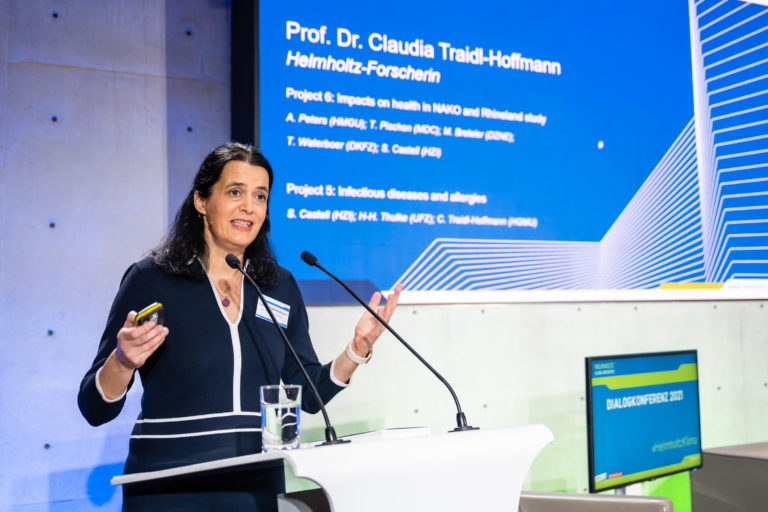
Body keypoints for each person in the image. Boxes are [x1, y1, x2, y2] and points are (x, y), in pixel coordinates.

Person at [78, 142, 401, 510]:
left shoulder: (278, 285)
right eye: (235, 192)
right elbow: (94, 407)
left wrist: (357, 350)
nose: (249, 206)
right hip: (167, 488)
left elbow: (308, 395)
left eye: (260, 196)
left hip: (254, 489)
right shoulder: (152, 278)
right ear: (201, 200)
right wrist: (121, 362)